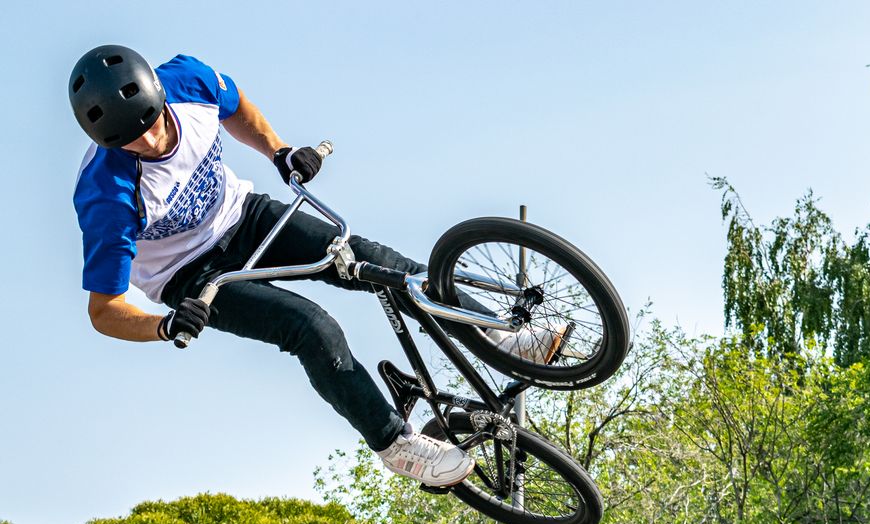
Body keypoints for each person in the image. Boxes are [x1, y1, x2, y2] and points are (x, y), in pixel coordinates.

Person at [69, 45, 564, 488]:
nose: (149, 143)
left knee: (378, 262)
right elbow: (104, 310)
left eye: (152, 124)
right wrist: (164, 326)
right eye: (131, 142)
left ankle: (501, 338)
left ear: (158, 93)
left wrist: (280, 152)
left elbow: (237, 107)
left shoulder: (188, 81)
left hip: (245, 216)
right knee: (310, 327)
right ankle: (396, 445)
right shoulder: (105, 196)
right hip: (192, 276)